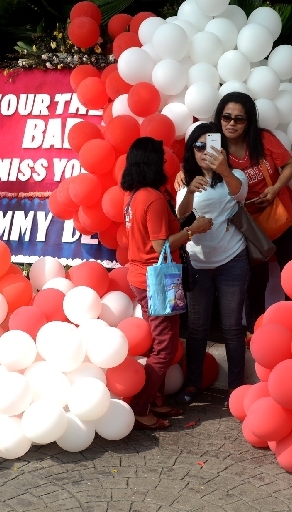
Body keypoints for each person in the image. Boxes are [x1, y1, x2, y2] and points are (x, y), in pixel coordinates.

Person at [122, 137, 213, 430]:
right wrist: (193, 230)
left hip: (143, 275)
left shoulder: (135, 195)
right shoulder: (154, 198)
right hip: (160, 277)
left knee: (158, 342)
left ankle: (155, 401)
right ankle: (140, 407)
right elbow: (161, 245)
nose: (165, 163)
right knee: (165, 346)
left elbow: (171, 221)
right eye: (161, 159)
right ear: (151, 163)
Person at [213, 92, 292, 339]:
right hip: (245, 224)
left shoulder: (263, 140)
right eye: (226, 117)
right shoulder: (213, 145)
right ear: (219, 119)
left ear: (249, 122)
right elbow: (194, 164)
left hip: (278, 215)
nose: (232, 123)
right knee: (256, 279)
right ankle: (257, 331)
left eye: (239, 119)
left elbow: (290, 164)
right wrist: (182, 173)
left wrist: (274, 189)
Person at [174, 124, 250, 406]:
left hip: (232, 258)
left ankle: (235, 389)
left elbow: (239, 194)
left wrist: (224, 169)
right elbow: (180, 215)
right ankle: (193, 384)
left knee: (232, 327)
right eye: (199, 146)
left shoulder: (235, 176)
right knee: (197, 327)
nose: (205, 152)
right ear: (191, 151)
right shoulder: (186, 182)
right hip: (197, 262)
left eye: (211, 145)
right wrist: (190, 190)